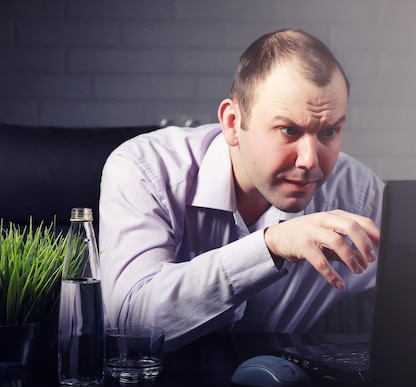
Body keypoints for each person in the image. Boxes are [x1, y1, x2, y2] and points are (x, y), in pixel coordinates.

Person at [99, 28, 384, 351]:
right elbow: (129, 327)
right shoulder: (144, 170)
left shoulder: (358, 191)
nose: (309, 160)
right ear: (233, 123)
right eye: (288, 130)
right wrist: (270, 246)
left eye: (329, 131)